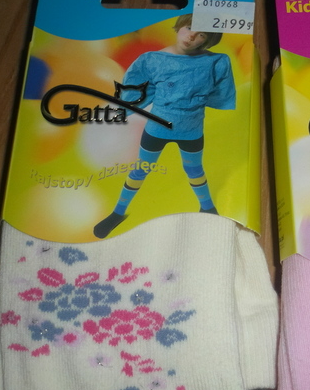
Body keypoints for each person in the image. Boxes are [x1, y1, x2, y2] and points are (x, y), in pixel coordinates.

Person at [94, 14, 235, 239]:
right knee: (141, 169)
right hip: (156, 130)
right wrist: (122, 111)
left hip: (192, 131)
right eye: (189, 27)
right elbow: (137, 91)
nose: (192, 36)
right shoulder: (152, 60)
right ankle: (118, 212)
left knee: (195, 171)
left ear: (208, 40)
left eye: (201, 34)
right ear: (179, 26)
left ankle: (208, 208)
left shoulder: (216, 62)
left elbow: (220, 94)